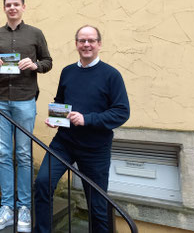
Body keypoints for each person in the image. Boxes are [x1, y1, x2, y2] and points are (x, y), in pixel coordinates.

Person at [34, 25, 130, 233]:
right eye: (82, 41)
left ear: (99, 44)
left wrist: (87, 119)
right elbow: (60, 101)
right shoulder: (68, 71)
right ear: (76, 44)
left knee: (97, 204)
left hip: (95, 148)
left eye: (91, 41)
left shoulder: (111, 75)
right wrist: (56, 119)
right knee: (42, 184)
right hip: (64, 143)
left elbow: (122, 112)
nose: (86, 45)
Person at [0, 0, 52, 232]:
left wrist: (35, 65)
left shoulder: (35, 34)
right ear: (4, 9)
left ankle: (23, 207)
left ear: (23, 7)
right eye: (8, 5)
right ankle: (6, 207)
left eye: (16, 5)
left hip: (24, 100)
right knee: (3, 154)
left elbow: (47, 62)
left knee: (23, 154)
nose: (12, 8)